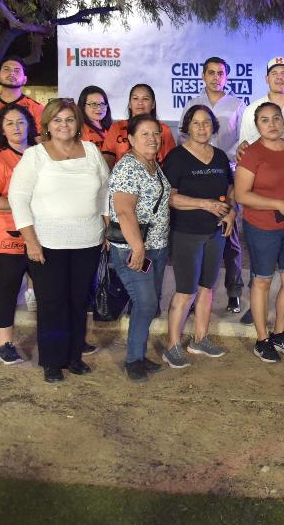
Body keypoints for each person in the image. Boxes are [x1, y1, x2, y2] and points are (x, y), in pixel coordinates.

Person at [9, 99, 108, 383]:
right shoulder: (35, 155)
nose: (64, 125)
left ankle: (74, 356)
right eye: (57, 120)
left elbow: (106, 189)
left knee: (78, 302)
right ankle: (52, 361)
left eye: (69, 119)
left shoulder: (91, 151)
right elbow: (18, 198)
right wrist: (30, 241)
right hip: (47, 243)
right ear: (47, 125)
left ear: (78, 124)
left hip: (88, 241)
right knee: (52, 303)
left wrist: (105, 223)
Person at [237, 56, 284, 326]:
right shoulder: (251, 109)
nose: (280, 77)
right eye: (274, 73)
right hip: (263, 199)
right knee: (261, 274)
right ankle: (256, 309)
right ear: (267, 78)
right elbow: (244, 146)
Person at [160, 105, 235, 368]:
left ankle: (200, 339)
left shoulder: (220, 157)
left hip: (215, 233)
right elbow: (170, 198)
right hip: (186, 233)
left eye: (206, 123)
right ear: (187, 127)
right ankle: (172, 346)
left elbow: (230, 189)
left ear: (213, 127)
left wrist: (231, 212)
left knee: (207, 288)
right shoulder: (177, 157)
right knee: (185, 291)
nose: (202, 128)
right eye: (196, 123)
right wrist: (206, 204)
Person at [235, 102, 284, 362]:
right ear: (257, 125)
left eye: (276, 118)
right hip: (262, 227)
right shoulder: (251, 153)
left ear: (283, 120)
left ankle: (279, 333)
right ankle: (262, 339)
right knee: (262, 281)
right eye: (265, 120)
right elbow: (242, 195)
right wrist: (277, 204)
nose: (272, 124)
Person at [107, 114, 173, 381]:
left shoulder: (153, 165)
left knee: (147, 304)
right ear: (131, 139)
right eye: (144, 134)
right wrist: (138, 247)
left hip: (156, 246)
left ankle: (139, 355)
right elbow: (124, 212)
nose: (152, 138)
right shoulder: (128, 168)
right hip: (134, 249)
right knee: (145, 302)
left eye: (156, 133)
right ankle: (133, 360)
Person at [180, 57, 246, 315]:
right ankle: (195, 293)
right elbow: (183, 137)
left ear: (226, 77)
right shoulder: (192, 104)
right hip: (197, 177)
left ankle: (234, 291)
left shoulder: (237, 105)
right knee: (198, 237)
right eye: (211, 72)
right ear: (203, 75)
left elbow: (242, 141)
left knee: (229, 235)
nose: (215, 77)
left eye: (220, 73)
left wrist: (226, 161)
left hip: (226, 174)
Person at [0, 104, 37, 365]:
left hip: (38, 235)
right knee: (5, 290)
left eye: (21, 122)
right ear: (1, 129)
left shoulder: (40, 155)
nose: (16, 127)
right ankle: (5, 345)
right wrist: (24, 204)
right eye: (9, 123)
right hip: (2, 238)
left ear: (30, 125)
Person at [101, 83, 177, 168]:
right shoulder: (117, 127)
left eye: (145, 99)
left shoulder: (164, 129)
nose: (140, 103)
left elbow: (172, 161)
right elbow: (107, 161)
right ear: (130, 104)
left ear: (153, 104)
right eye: (135, 98)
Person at [78, 85, 113, 151]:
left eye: (102, 104)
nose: (99, 108)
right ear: (83, 106)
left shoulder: (113, 127)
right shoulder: (78, 130)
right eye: (93, 104)